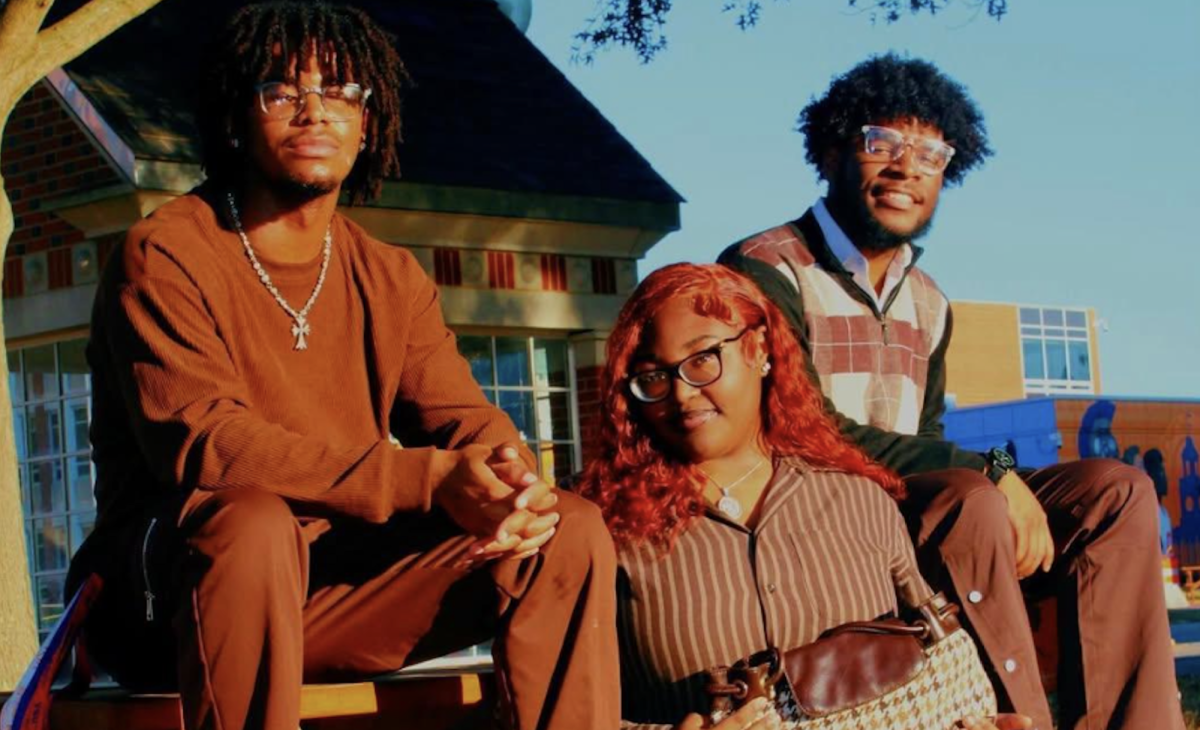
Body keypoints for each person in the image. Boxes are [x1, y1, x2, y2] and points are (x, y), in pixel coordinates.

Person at [64, 4, 618, 730]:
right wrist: (430, 479)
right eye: (282, 91)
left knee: (566, 529)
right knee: (254, 521)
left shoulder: (388, 276)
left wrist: (513, 484)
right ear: (236, 116)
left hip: (333, 592)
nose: (314, 112)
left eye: (341, 92)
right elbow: (212, 448)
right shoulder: (166, 254)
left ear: (369, 122)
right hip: (170, 605)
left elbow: (465, 422)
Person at [719, 54, 1182, 730]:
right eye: (883, 143)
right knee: (971, 495)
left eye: (931, 153)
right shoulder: (765, 267)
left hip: (908, 507)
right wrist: (988, 471)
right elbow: (802, 427)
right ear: (830, 148)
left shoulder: (929, 302)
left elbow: (927, 436)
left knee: (1114, 491)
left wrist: (987, 475)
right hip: (812, 509)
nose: (908, 167)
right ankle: (1019, 721)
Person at [577, 263, 1030, 730]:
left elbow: (934, 655)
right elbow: (570, 711)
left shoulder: (859, 501)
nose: (681, 393)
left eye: (701, 360)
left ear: (759, 350)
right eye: (652, 377)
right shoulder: (607, 531)